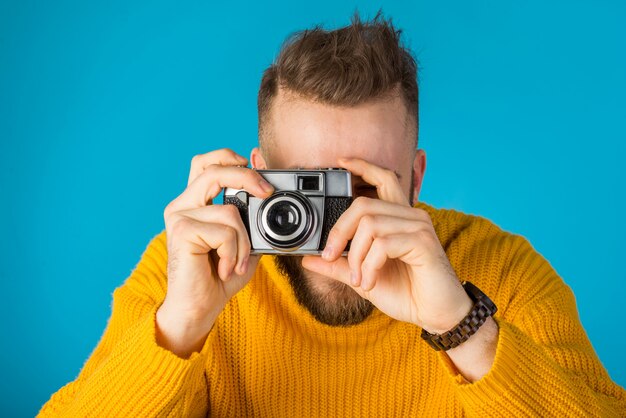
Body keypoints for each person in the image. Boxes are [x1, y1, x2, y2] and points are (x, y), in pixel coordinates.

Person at [39, 12, 626, 417]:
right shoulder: (195, 272)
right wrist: (180, 328)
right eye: (305, 189)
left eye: (364, 186)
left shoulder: (503, 272)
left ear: (415, 178)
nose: (334, 229)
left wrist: (460, 324)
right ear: (255, 174)